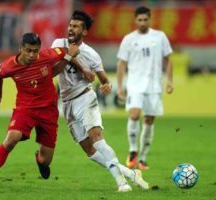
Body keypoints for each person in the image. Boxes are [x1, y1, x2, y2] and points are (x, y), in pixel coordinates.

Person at [51, 10, 149, 192]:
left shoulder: (92, 54)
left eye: (76, 26)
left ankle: (122, 183)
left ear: (85, 31)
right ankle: (131, 174)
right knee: (90, 152)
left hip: (85, 98)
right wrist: (69, 56)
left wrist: (106, 85)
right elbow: (53, 72)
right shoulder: (58, 44)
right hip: (67, 104)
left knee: (97, 139)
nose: (71, 29)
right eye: (70, 25)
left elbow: (104, 80)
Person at [0, 32, 80, 191]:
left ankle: (39, 160)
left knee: (46, 160)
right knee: (11, 139)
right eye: (28, 50)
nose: (32, 54)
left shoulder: (48, 55)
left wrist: (70, 54)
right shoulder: (9, 66)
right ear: (21, 49)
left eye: (35, 50)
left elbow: (68, 52)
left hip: (48, 110)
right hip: (25, 109)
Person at [116, 6, 173, 170]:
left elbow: (168, 59)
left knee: (149, 120)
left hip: (154, 84)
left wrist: (170, 81)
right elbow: (122, 63)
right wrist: (120, 86)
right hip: (134, 84)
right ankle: (133, 149)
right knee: (134, 114)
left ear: (150, 19)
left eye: (145, 19)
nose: (142, 22)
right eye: (139, 20)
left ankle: (143, 157)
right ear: (135, 20)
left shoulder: (160, 36)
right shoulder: (128, 39)